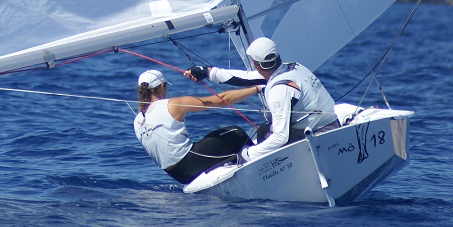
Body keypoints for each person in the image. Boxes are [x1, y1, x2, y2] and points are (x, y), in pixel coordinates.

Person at [183, 37, 338, 163]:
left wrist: (248, 155)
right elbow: (245, 78)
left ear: (255, 64)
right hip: (335, 128)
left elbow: (280, 137)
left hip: (318, 140)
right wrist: (207, 72)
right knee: (265, 130)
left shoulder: (278, 90)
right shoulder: (294, 67)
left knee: (264, 132)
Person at [133, 69, 259, 184]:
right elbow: (222, 99)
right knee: (235, 132)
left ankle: (234, 164)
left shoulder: (137, 120)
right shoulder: (173, 104)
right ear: (162, 86)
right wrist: (257, 88)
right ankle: (260, 167)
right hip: (190, 164)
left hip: (178, 176)